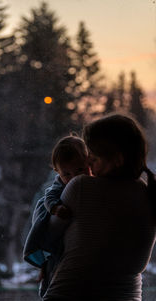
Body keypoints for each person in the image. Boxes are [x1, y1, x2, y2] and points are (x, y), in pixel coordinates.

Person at [43, 113, 156, 301]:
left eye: (94, 158)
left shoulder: (81, 186)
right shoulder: (147, 194)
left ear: (117, 159)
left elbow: (50, 234)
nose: (86, 163)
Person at [23, 135, 89, 298]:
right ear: (57, 172)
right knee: (52, 263)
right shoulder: (59, 185)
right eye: (67, 174)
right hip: (57, 240)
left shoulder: (93, 183)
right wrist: (55, 208)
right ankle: (46, 289)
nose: (74, 177)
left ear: (89, 162)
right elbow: (49, 198)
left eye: (80, 170)